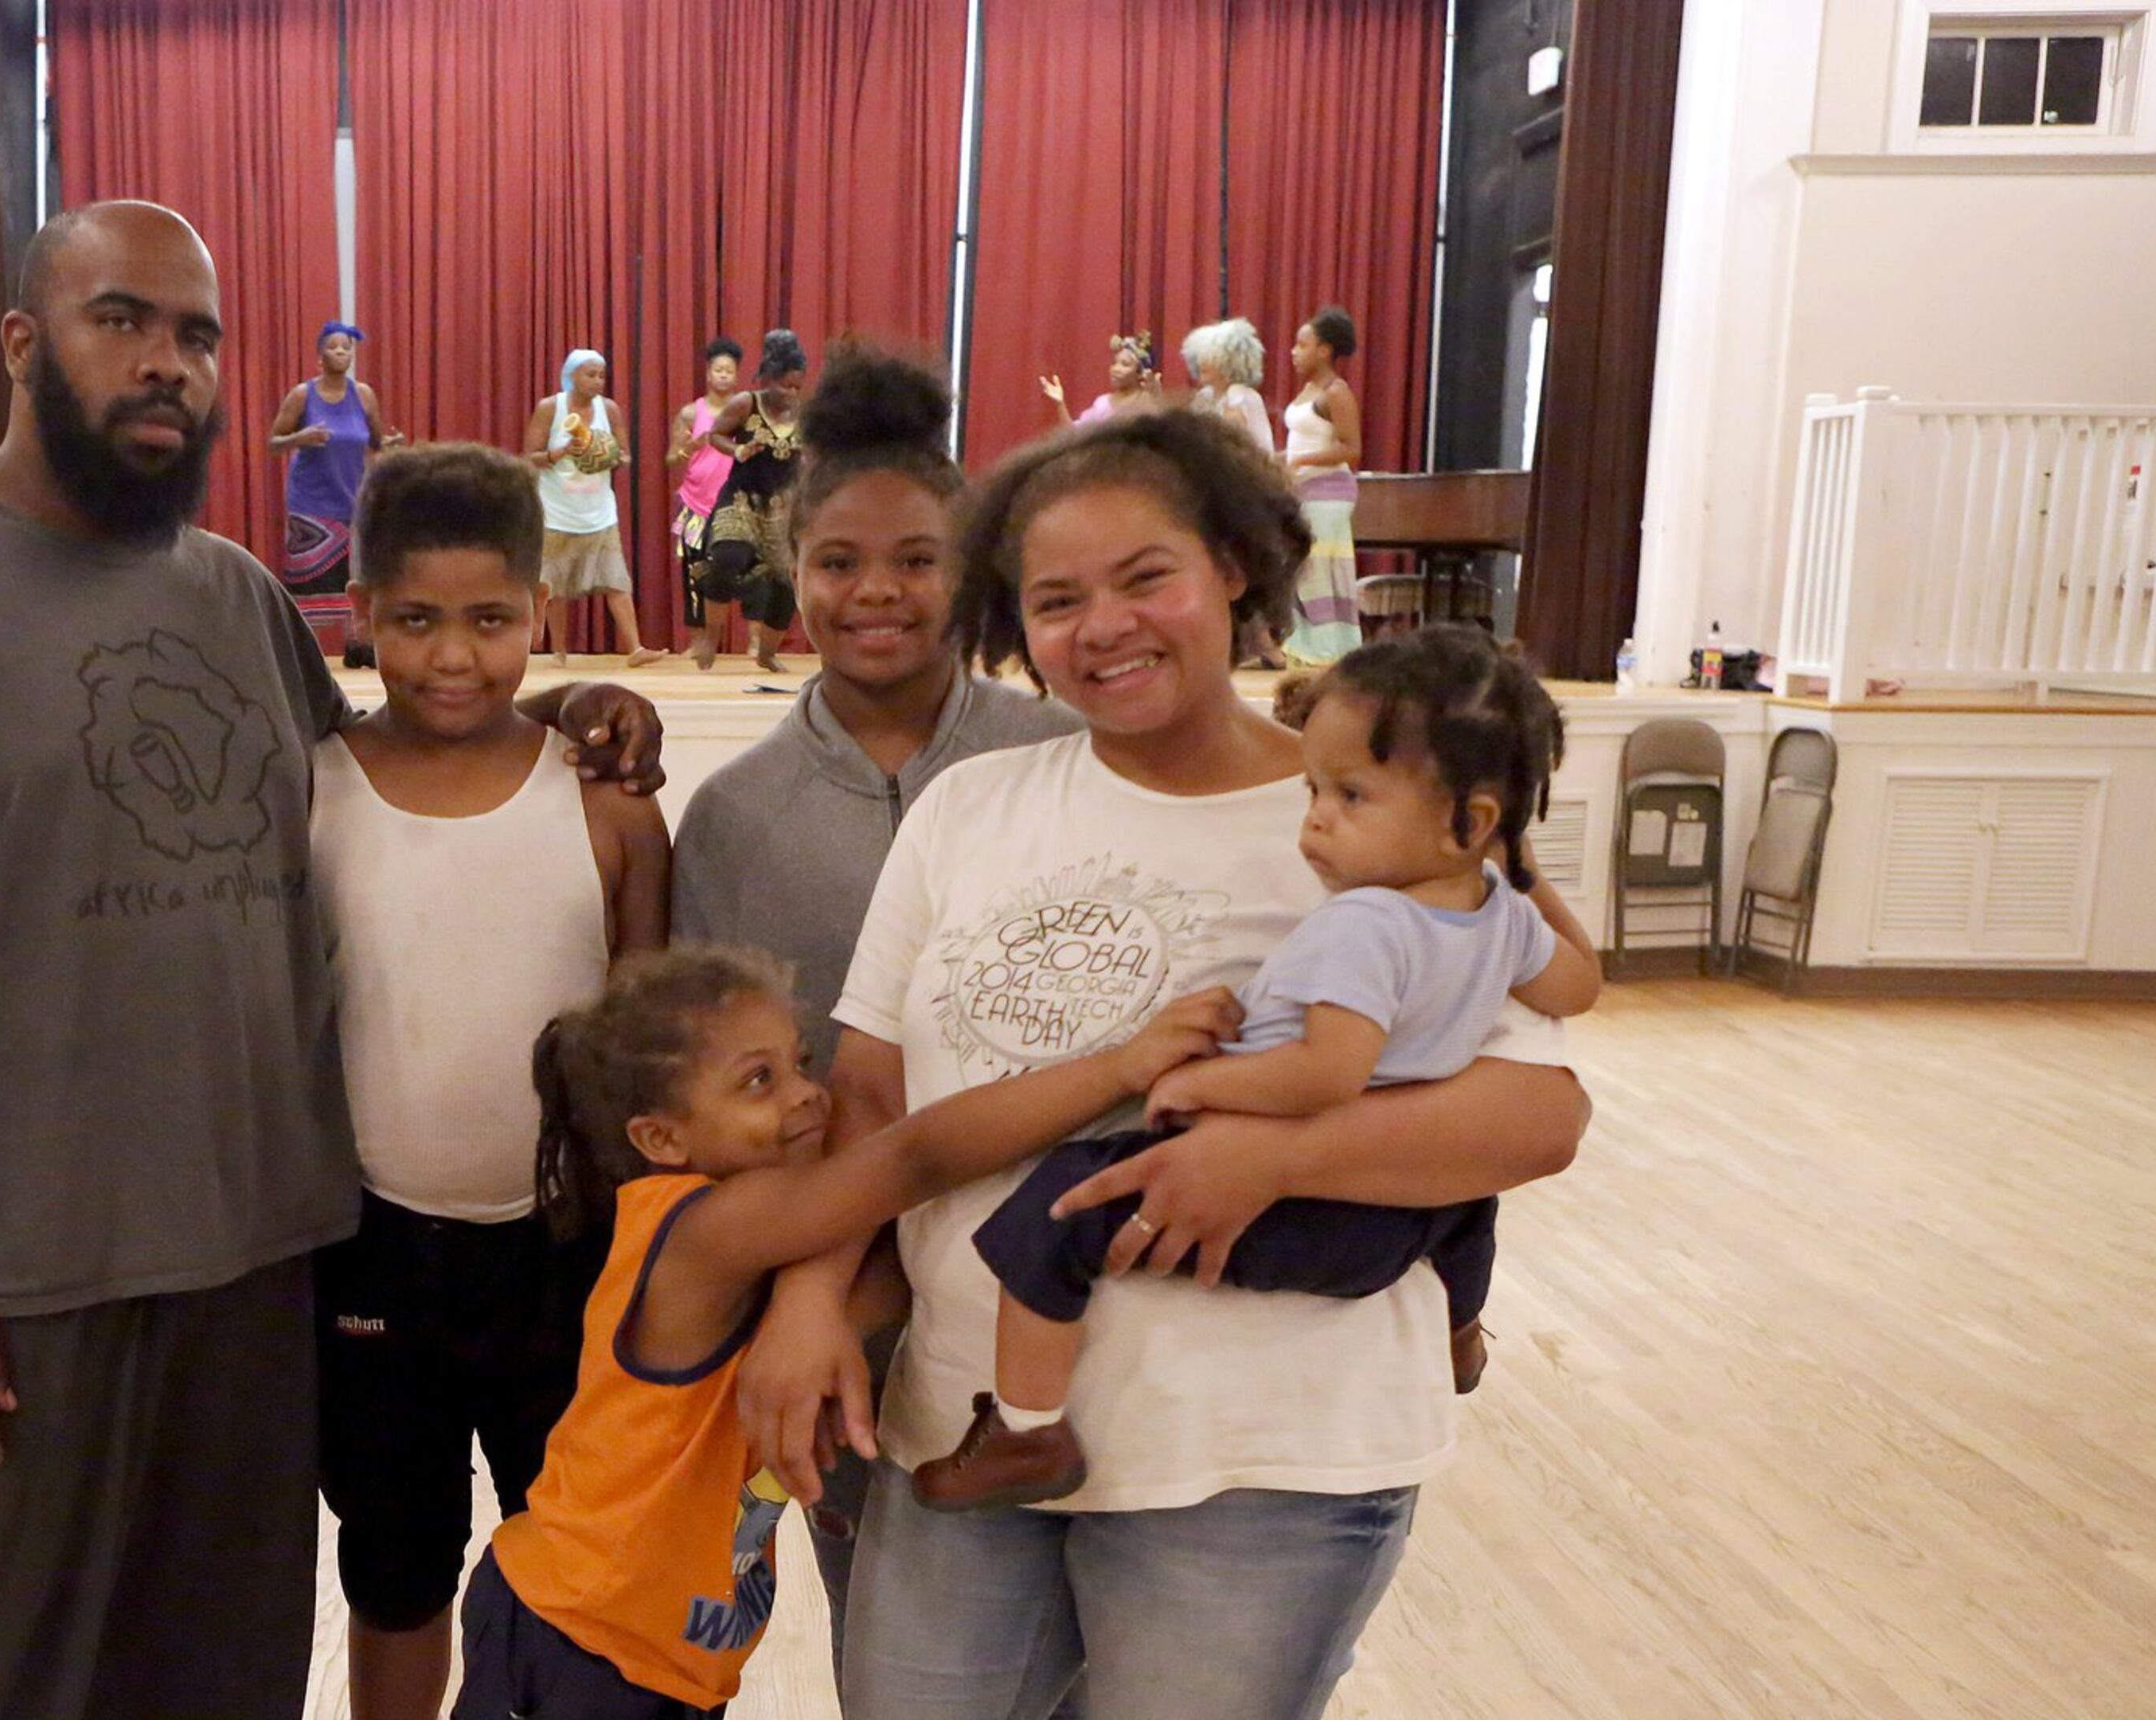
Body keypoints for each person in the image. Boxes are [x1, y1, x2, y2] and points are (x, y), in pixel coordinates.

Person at [0, 201, 666, 1720]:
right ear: (23, 344)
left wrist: (575, 707)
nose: (166, 363)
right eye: (121, 320)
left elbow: (407, 779)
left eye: (196, 335)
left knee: (217, 1674)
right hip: (10, 1286)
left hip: (254, 1274)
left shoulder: (230, 597)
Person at [737, 409, 1591, 1720]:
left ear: (1235, 570)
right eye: (1058, 599)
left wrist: (1275, 1154)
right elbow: (867, 1096)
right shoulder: (975, 806)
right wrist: (807, 1295)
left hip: (1258, 1465)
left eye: (1147, 578)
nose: (1108, 626)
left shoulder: (1368, 812)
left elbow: (1539, 1113)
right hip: (966, 1427)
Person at [913, 627, 1603, 1511]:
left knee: (1053, 1212)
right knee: (1469, 1202)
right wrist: (1514, 866)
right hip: (1401, 1219)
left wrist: (1195, 1084)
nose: (1315, 817)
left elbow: (1326, 1075)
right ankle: (1461, 1329)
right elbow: (1579, 985)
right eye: (1315, 788)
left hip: (1297, 1207)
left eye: (1352, 795)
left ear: (1468, 820)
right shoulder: (1500, 917)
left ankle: (1025, 1429)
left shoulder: (1365, 925)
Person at [454, 948, 1239, 1719]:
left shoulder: (760, 1247)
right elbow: (911, 1159)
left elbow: (896, 1275)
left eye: (801, 1064)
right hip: (577, 1639)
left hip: (663, 1663)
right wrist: (1120, 1071)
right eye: (759, 1081)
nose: (809, 1097)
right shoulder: (702, 1230)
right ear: (662, 1140)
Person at [667, 340, 1080, 1683]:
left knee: (1085, 1657)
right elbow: (738, 1110)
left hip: (1066, 1292)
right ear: (795, 574)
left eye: (917, 557)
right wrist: (808, 1294)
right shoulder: (737, 820)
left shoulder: (1060, 760)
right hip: (846, 1308)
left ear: (971, 573)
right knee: (897, 1656)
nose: (878, 593)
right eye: (841, 562)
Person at [312, 441, 673, 1720]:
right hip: (371, 1256)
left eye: (489, 620)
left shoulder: (609, 808)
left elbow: (649, 1063)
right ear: (360, 614)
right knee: (396, 1572)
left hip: (565, 1256)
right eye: (414, 620)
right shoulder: (314, 794)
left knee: (576, 1566)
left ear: (539, 611)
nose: (453, 656)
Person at [267, 319, 404, 664]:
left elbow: (374, 443)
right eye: (333, 347)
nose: (341, 352)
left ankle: (358, 647)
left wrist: (392, 444)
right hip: (311, 502)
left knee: (357, 575)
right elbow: (273, 443)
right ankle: (305, 653)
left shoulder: (363, 395)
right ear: (319, 356)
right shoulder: (302, 395)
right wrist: (301, 438)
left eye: (347, 348)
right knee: (309, 579)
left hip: (354, 499)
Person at [527, 349, 662, 666]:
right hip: (557, 511)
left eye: (602, 375)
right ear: (572, 375)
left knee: (617, 581)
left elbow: (626, 456)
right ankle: (558, 651)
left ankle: (636, 649)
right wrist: (558, 454)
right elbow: (528, 456)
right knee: (556, 586)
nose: (598, 381)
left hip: (599, 511)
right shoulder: (551, 408)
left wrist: (608, 454)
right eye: (591, 374)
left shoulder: (610, 410)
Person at [700, 330, 812, 672]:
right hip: (741, 497)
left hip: (783, 505)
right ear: (769, 379)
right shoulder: (746, 404)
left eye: (797, 387)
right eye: (785, 387)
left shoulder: (804, 414)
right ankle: (710, 638)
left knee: (785, 582)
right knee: (727, 558)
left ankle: (766, 654)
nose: (792, 394)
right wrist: (738, 450)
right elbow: (714, 434)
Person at [1282, 307, 1368, 665]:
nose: (1294, 352)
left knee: (1320, 571)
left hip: (1329, 494)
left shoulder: (1337, 392)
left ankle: (1331, 650)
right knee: (1302, 569)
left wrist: (1299, 462)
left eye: (1303, 345)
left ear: (1325, 350)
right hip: (1305, 491)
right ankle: (1306, 647)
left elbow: (1351, 449)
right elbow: (1303, 442)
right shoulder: (1307, 391)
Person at [670, 338, 744, 662]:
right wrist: (691, 447)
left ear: (737, 375)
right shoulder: (690, 413)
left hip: (736, 503)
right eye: (719, 370)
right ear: (708, 373)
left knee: (747, 571)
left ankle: (756, 642)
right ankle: (698, 641)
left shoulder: (745, 413)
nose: (724, 376)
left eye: (730, 371)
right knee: (695, 574)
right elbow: (671, 459)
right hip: (697, 504)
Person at [1181, 319, 1276, 456]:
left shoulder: (1239, 395)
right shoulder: (1205, 396)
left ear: (1229, 362)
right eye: (1200, 355)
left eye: (1211, 357)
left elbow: (1232, 443)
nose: (1201, 362)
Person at [1039, 331, 1164, 428]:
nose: (1116, 369)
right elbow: (1075, 435)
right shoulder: (1103, 404)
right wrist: (1060, 403)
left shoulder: (1147, 403)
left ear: (1140, 373)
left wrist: (1157, 398)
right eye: (1114, 363)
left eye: (1125, 364)